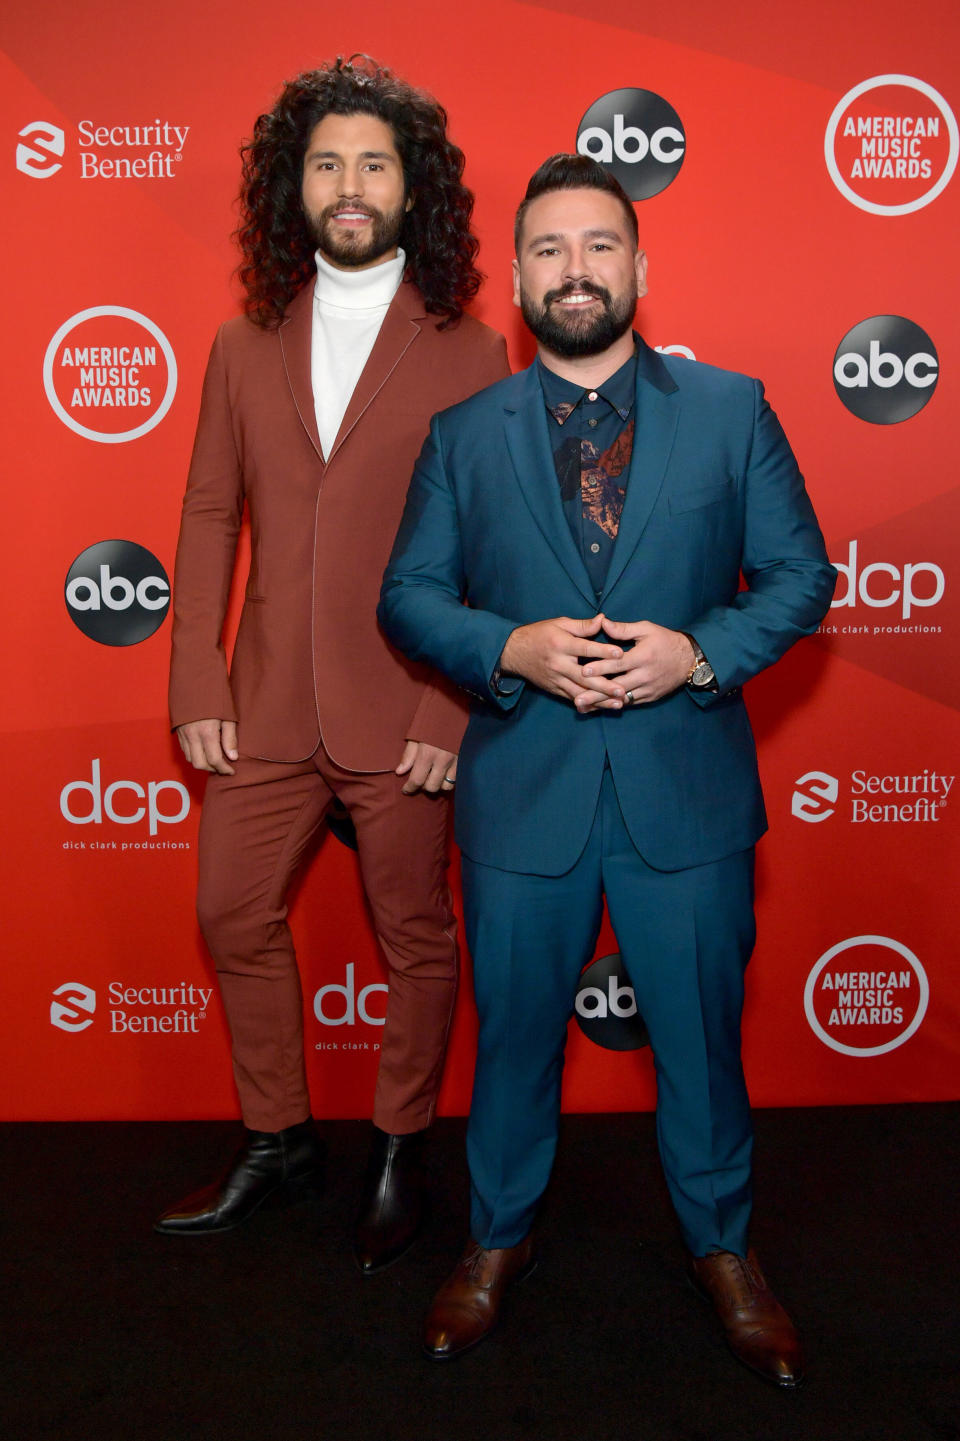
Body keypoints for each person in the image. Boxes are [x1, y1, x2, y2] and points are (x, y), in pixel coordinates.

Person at [379, 154, 836, 1382]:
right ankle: (496, 1238)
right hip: (524, 792)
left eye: (596, 246)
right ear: (518, 274)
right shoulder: (464, 435)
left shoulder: (733, 410)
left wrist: (697, 654)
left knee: (701, 1038)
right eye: (547, 249)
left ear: (639, 265)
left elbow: (801, 578)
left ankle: (724, 1247)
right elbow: (410, 595)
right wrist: (509, 647)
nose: (572, 271)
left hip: (684, 790)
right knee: (514, 1037)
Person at [156, 56, 508, 1274]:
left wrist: (448, 700)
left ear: (413, 191)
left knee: (415, 933)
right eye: (326, 163)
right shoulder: (243, 338)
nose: (349, 186)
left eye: (374, 163)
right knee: (228, 911)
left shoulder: (467, 347)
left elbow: (496, 545)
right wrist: (195, 680)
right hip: (260, 702)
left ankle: (403, 1146)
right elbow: (209, 517)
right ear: (289, 187)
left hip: (403, 701)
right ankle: (278, 1139)